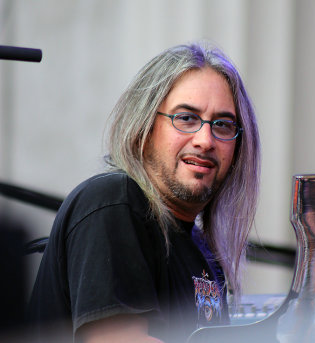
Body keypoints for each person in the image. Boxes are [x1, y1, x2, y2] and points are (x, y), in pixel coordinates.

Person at [27, 42, 261, 343]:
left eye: (223, 125)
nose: (206, 139)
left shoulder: (202, 252)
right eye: (186, 118)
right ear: (145, 128)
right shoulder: (114, 202)